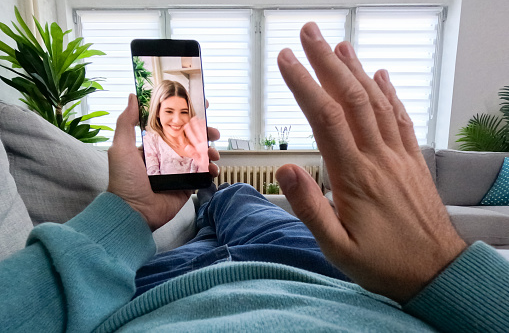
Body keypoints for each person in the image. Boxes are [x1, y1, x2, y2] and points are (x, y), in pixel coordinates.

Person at [1, 22, 508, 332]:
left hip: (153, 289)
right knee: (241, 196)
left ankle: (209, 207)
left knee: (226, 199)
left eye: (185, 112)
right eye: (170, 113)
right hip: (322, 274)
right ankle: (215, 203)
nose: (179, 120)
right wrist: (442, 267)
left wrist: (131, 214)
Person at [143, 79, 209, 175]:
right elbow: (154, 180)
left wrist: (204, 164)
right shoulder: (151, 142)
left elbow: (205, 181)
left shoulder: (197, 139)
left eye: (184, 112)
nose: (177, 120)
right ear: (157, 111)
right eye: (169, 111)